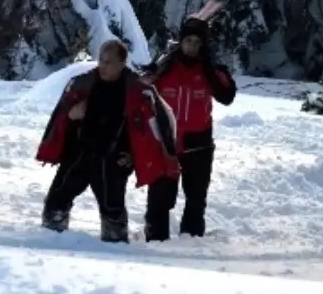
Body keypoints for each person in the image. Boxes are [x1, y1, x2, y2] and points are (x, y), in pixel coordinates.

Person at [35, 39, 179, 243]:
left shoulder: (138, 91)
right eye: (101, 60)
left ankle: (115, 248)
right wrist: (72, 114)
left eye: (108, 61)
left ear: (122, 63)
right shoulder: (83, 83)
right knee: (57, 199)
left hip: (113, 158)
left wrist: (133, 156)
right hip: (81, 151)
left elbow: (157, 129)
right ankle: (50, 240)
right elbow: (61, 118)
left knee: (112, 207)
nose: (102, 65)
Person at [142, 16, 237, 241]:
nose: (192, 47)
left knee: (196, 197)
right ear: (181, 41)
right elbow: (141, 88)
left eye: (197, 43)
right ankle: (155, 240)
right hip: (166, 142)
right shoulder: (165, 66)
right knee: (160, 195)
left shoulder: (208, 69)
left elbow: (227, 96)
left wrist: (213, 67)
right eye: (189, 41)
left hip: (199, 143)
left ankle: (192, 242)